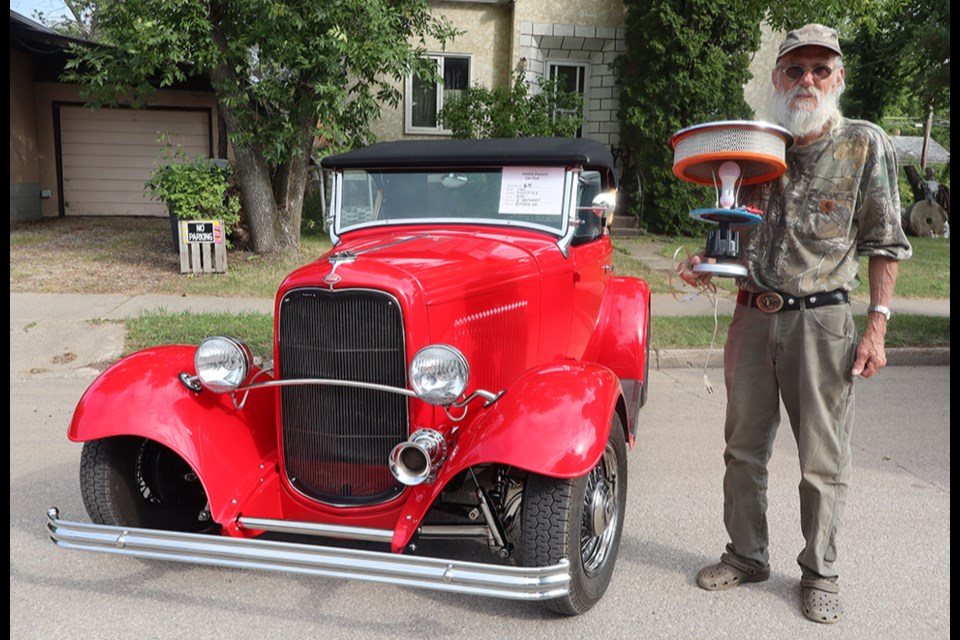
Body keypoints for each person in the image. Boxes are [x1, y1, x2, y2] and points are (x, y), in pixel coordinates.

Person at [681, 24, 913, 624]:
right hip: (752, 317)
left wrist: (877, 325)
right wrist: (708, 262)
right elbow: (734, 228)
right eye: (794, 69)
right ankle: (747, 555)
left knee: (822, 458)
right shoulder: (757, 148)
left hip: (824, 320)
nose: (806, 79)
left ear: (839, 78)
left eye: (819, 69)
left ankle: (820, 571)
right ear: (777, 78)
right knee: (743, 451)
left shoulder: (864, 143)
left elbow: (885, 242)